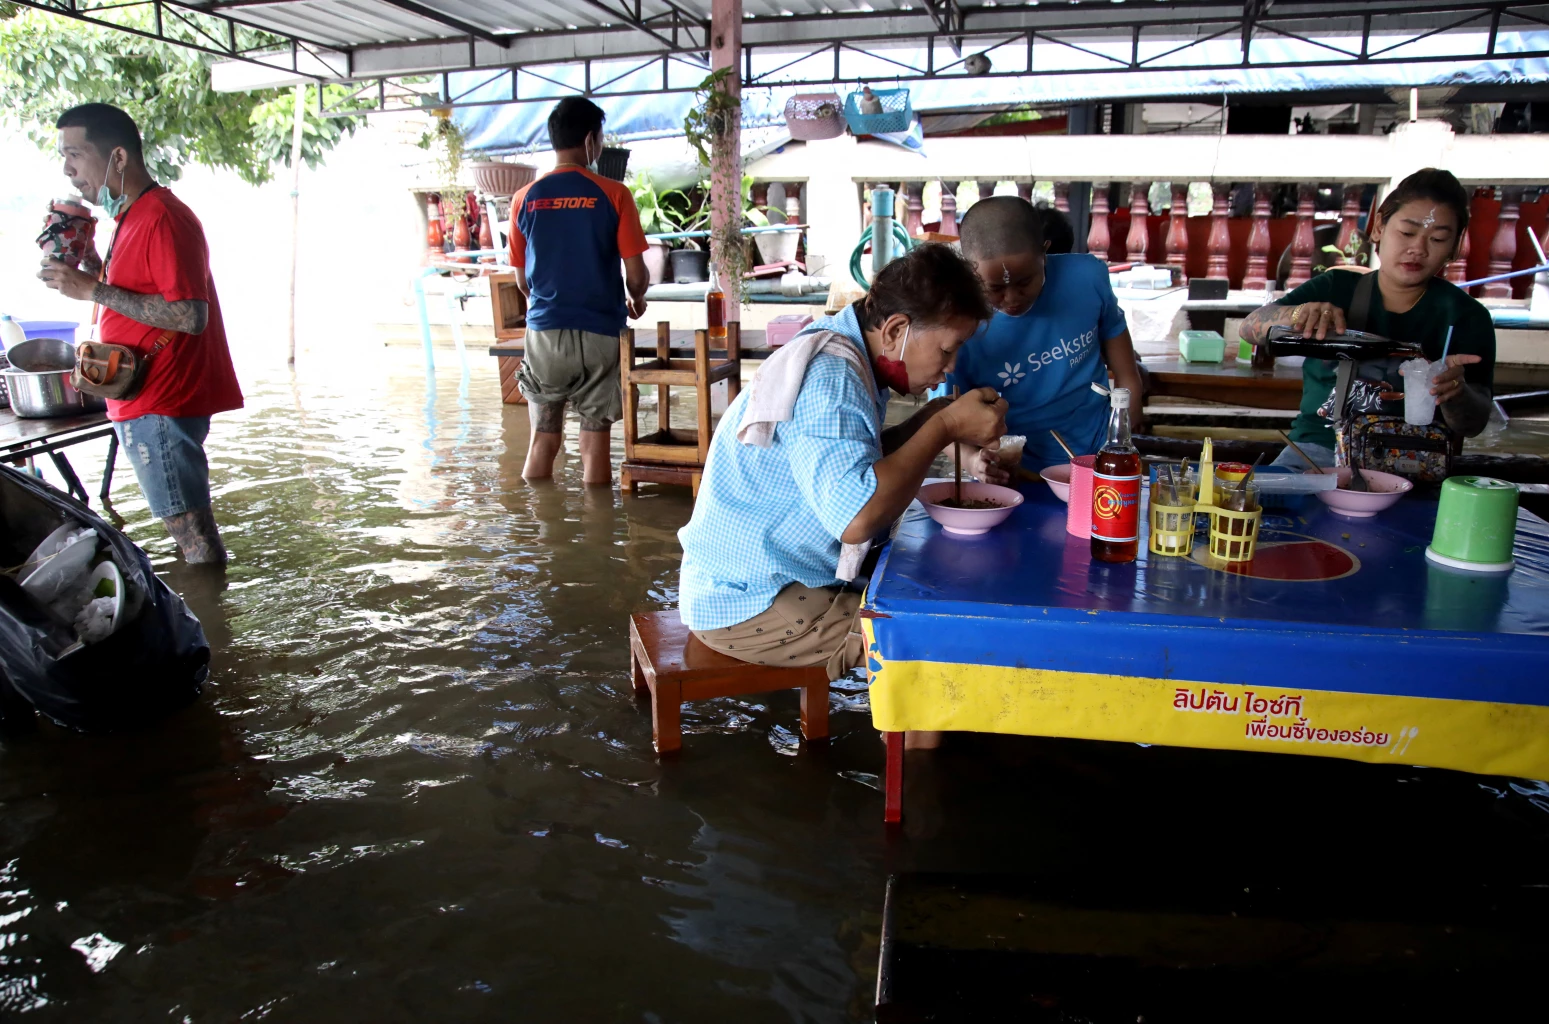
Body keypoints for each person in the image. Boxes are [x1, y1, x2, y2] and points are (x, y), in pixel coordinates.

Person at [678, 245, 1004, 696]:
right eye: (947, 350)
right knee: (930, 642)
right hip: (749, 601)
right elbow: (857, 519)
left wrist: (933, 420)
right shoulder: (832, 377)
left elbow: (856, 461)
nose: (951, 367)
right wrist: (945, 424)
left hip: (745, 580)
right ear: (895, 330)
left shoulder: (848, 350)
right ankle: (920, 766)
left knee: (930, 589)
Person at [38, 103, 242, 565]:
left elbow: (190, 315)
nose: (68, 170)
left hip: (162, 402)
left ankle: (207, 628)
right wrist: (90, 263)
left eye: (75, 154)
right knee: (187, 534)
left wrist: (92, 288)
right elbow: (138, 293)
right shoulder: (132, 216)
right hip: (142, 398)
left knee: (196, 542)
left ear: (118, 158)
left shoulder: (162, 217)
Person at [1239, 168, 1494, 469]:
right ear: (1378, 228)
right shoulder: (1335, 288)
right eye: (1407, 232)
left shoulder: (1466, 316)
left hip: (1413, 459)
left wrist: (1456, 394)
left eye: (1437, 239)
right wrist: (1297, 314)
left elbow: (1473, 424)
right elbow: (1249, 327)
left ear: (1453, 247)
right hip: (1317, 450)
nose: (1418, 249)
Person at [948, 196, 1144, 479]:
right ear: (969, 272)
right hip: (1016, 468)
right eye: (995, 289)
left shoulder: (1087, 278)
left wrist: (1130, 405)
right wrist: (971, 461)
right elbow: (942, 420)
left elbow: (1116, 339)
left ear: (1045, 253)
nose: (1012, 298)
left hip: (1100, 450)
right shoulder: (960, 326)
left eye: (1025, 281)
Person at [508, 97, 650, 486]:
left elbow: (522, 282)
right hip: (601, 334)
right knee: (595, 444)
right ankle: (598, 538)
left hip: (545, 336)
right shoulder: (614, 194)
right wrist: (636, 298)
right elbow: (636, 274)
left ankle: (539, 531)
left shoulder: (523, 199)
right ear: (591, 140)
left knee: (543, 441)